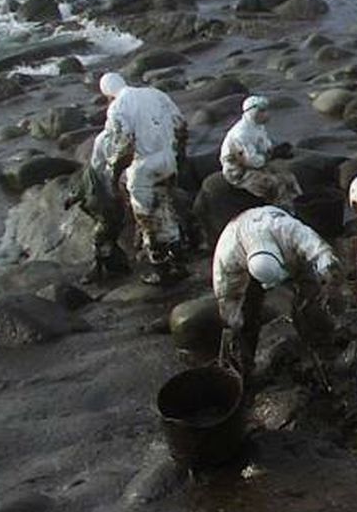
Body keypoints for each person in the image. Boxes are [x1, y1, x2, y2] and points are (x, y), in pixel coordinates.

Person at [211, 206, 341, 381]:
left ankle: (322, 344)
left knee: (312, 297)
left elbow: (323, 254)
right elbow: (226, 294)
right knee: (242, 319)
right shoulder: (228, 255)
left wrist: (330, 284)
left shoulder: (289, 231)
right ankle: (241, 371)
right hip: (242, 258)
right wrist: (233, 319)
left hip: (287, 249)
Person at [91, 72, 188, 281]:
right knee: (166, 209)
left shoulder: (118, 107)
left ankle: (160, 269)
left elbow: (125, 147)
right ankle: (179, 262)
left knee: (147, 218)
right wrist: (179, 155)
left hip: (143, 166)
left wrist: (114, 176)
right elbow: (181, 126)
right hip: (168, 159)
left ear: (108, 95)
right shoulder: (156, 94)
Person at [220, 95, 301, 208]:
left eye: (266, 110)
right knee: (274, 184)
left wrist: (278, 151)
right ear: (251, 112)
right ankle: (282, 208)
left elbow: (265, 146)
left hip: (258, 164)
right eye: (261, 111)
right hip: (238, 170)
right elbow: (252, 161)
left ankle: (299, 202)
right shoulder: (241, 134)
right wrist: (273, 155)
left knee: (288, 177)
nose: (266, 114)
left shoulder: (258, 127)